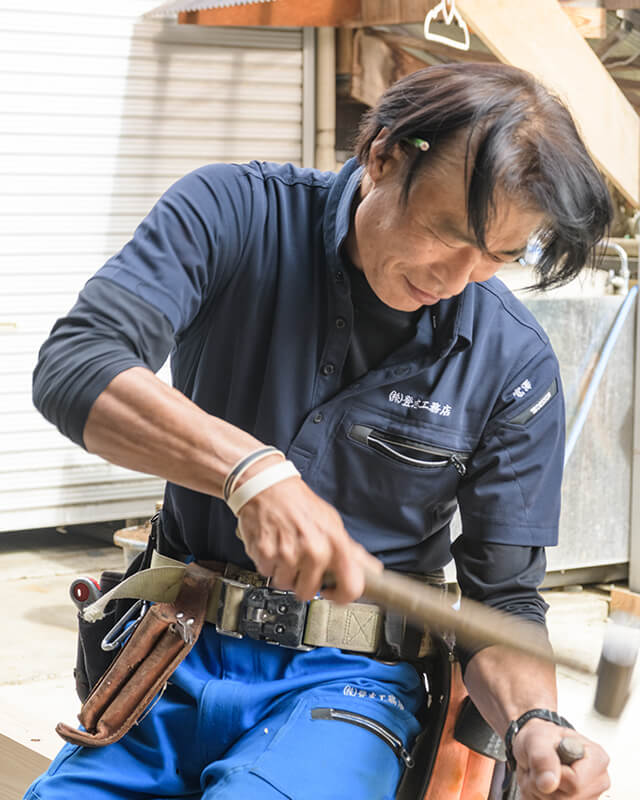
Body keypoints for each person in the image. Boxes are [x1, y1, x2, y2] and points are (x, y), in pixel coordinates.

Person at [27, 62, 612, 800]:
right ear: (383, 156)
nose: (457, 279)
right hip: (171, 654)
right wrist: (248, 472)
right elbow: (77, 365)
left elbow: (505, 604)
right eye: (446, 233)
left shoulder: (512, 361)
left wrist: (534, 721)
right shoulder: (233, 212)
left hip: (350, 686)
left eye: (500, 255)